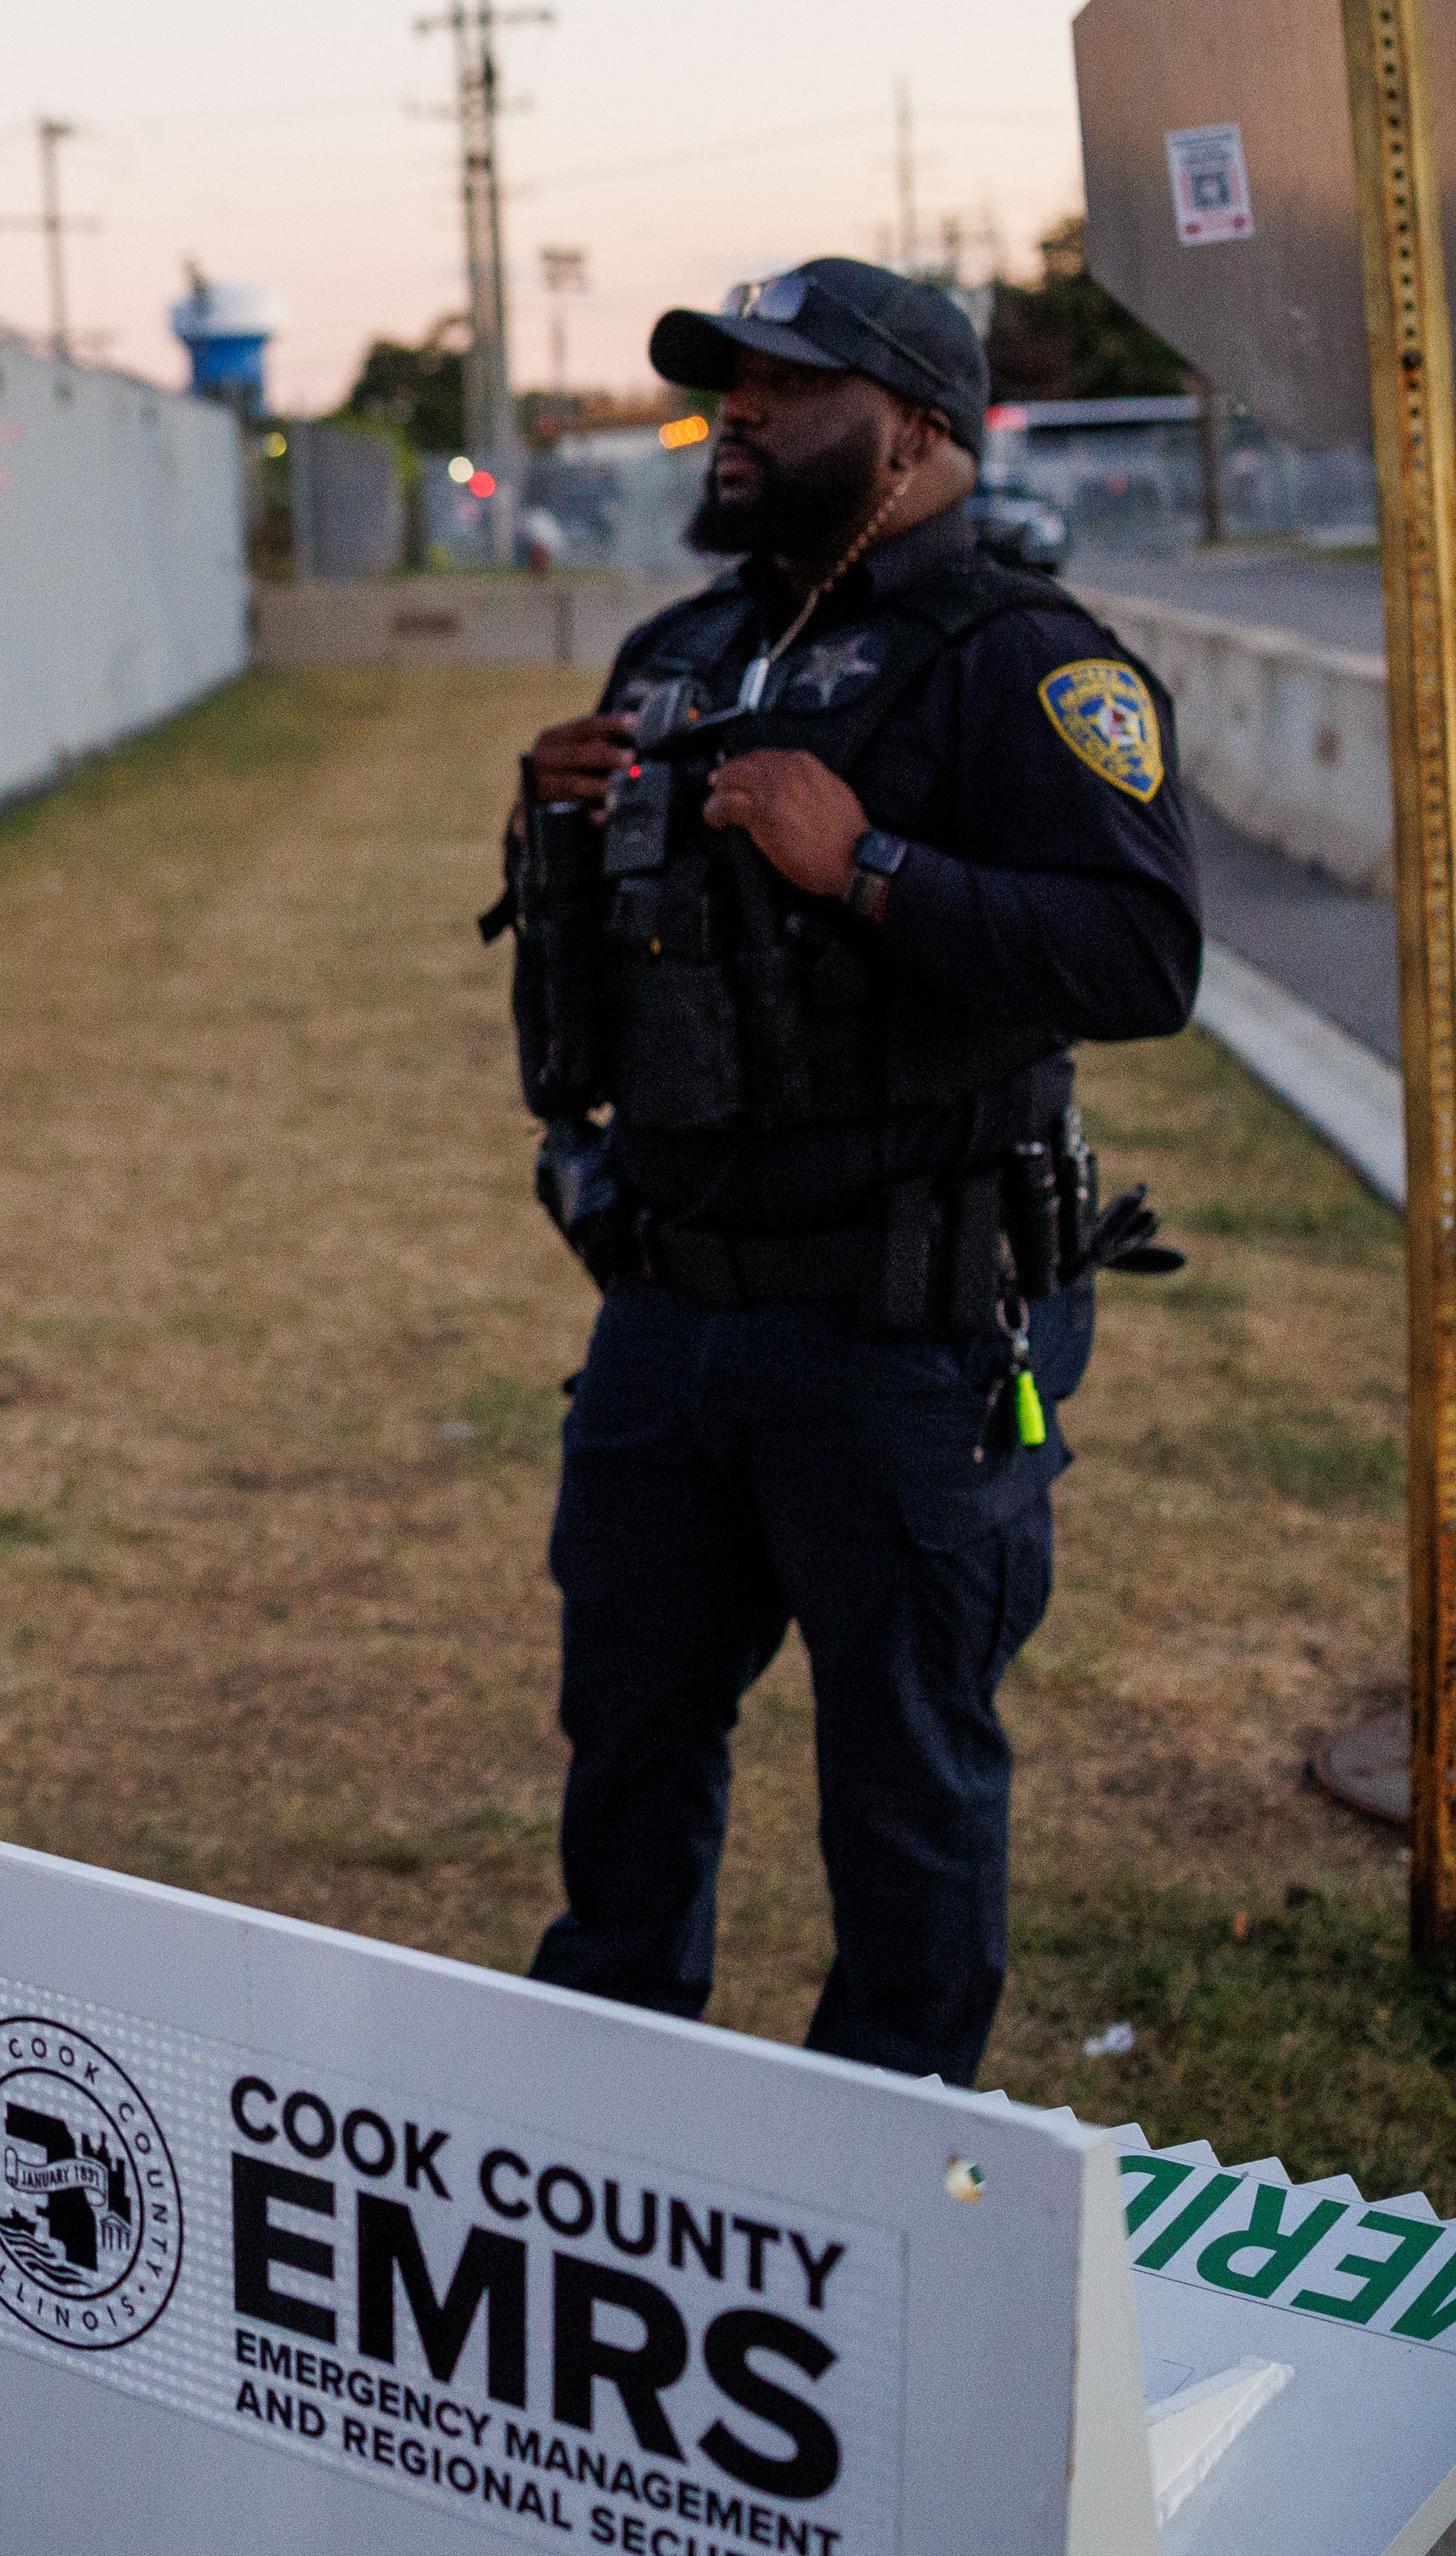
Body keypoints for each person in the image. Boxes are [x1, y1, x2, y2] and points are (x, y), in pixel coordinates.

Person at [498, 255, 1198, 2086]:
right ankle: (604, 2137)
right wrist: (557, 808)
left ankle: (893, 2182)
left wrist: (867, 858)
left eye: (779, 391)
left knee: (900, 1786)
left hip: (902, 1335)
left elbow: (1144, 959)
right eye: (720, 387)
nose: (732, 418)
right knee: (626, 1750)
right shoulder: (681, 651)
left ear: (910, 428)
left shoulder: (1021, 658)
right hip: (666, 1316)